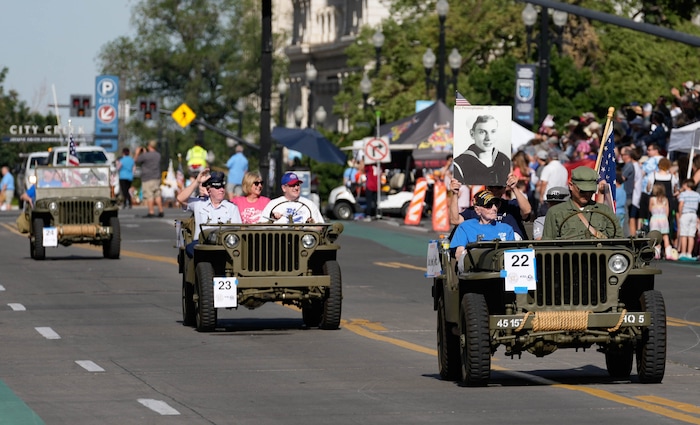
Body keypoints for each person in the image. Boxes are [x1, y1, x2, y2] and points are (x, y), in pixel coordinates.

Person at [542, 166, 622, 240]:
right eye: (583, 191)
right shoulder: (555, 212)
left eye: (590, 191)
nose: (587, 194)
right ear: (571, 186)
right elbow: (547, 245)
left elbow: (619, 240)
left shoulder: (604, 211)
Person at [177, 169, 242, 257]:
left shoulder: (231, 207)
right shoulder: (199, 204)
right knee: (191, 248)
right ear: (209, 190)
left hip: (223, 245)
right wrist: (197, 182)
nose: (221, 190)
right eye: (217, 187)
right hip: (201, 244)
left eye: (223, 187)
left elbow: (237, 231)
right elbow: (180, 198)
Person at [449, 173, 530, 240]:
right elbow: (455, 220)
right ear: (486, 188)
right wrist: (455, 193)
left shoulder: (512, 205)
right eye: (491, 187)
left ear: (504, 188)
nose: (494, 190)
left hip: (513, 250)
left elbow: (527, 211)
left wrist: (514, 188)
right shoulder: (477, 209)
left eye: (499, 187)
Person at [450, 190, 515, 272]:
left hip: (501, 272)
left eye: (496, 204)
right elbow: (459, 255)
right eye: (489, 205)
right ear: (477, 210)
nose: (494, 208)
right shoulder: (465, 227)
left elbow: (512, 256)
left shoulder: (507, 229)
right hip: (475, 273)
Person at [453, 115, 510, 186]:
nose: (488, 138)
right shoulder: (459, 164)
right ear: (472, 134)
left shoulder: (504, 161)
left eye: (493, 131)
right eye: (482, 132)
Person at [259, 171, 324, 224]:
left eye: (298, 184)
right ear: (284, 188)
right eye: (292, 185)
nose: (296, 188)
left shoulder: (310, 204)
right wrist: (271, 219)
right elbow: (261, 226)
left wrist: (312, 224)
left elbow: (320, 226)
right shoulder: (273, 204)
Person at [134, 140, 164, 218]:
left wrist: (137, 152)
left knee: (149, 195)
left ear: (149, 146)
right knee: (157, 194)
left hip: (148, 178)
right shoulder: (158, 155)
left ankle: (151, 212)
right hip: (156, 177)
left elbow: (136, 160)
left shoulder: (145, 156)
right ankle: (161, 210)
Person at [648, 183, 673, 260]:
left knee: (656, 237)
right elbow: (667, 212)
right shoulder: (665, 200)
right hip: (663, 219)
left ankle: (657, 253)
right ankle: (668, 254)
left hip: (655, 219)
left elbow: (650, 209)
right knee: (665, 236)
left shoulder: (652, 199)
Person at [677, 179, 700, 260]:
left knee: (684, 234)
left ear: (686, 185)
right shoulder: (697, 195)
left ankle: (683, 252)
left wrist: (680, 214)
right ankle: (689, 253)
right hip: (693, 214)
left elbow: (681, 205)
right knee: (691, 235)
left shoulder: (683, 194)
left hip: (685, 214)